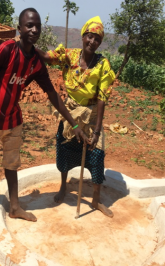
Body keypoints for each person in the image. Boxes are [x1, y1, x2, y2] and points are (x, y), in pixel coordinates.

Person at [0, 8, 88, 227]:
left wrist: (73, 124)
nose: (34, 30)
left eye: (38, 26)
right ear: (19, 28)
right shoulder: (5, 50)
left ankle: (15, 207)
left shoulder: (36, 61)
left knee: (11, 164)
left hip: (14, 121)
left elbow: (52, 94)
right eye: (29, 25)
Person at [37, 16, 115, 217]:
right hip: (70, 113)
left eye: (97, 39)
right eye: (90, 36)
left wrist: (97, 130)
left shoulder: (103, 65)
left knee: (96, 156)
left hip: (91, 116)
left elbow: (102, 99)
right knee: (64, 149)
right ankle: (63, 187)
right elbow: (47, 57)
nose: (92, 42)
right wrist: (26, 45)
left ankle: (96, 201)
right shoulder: (70, 57)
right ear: (83, 37)